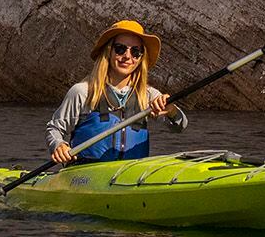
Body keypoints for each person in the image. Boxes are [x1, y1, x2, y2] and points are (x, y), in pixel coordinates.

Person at [47, 19, 187, 163]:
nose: (127, 56)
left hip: (132, 174)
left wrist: (171, 110)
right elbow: (55, 129)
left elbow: (180, 126)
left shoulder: (148, 95)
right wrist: (59, 145)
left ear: (140, 58)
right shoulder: (82, 91)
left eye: (135, 52)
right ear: (109, 51)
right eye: (120, 49)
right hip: (86, 175)